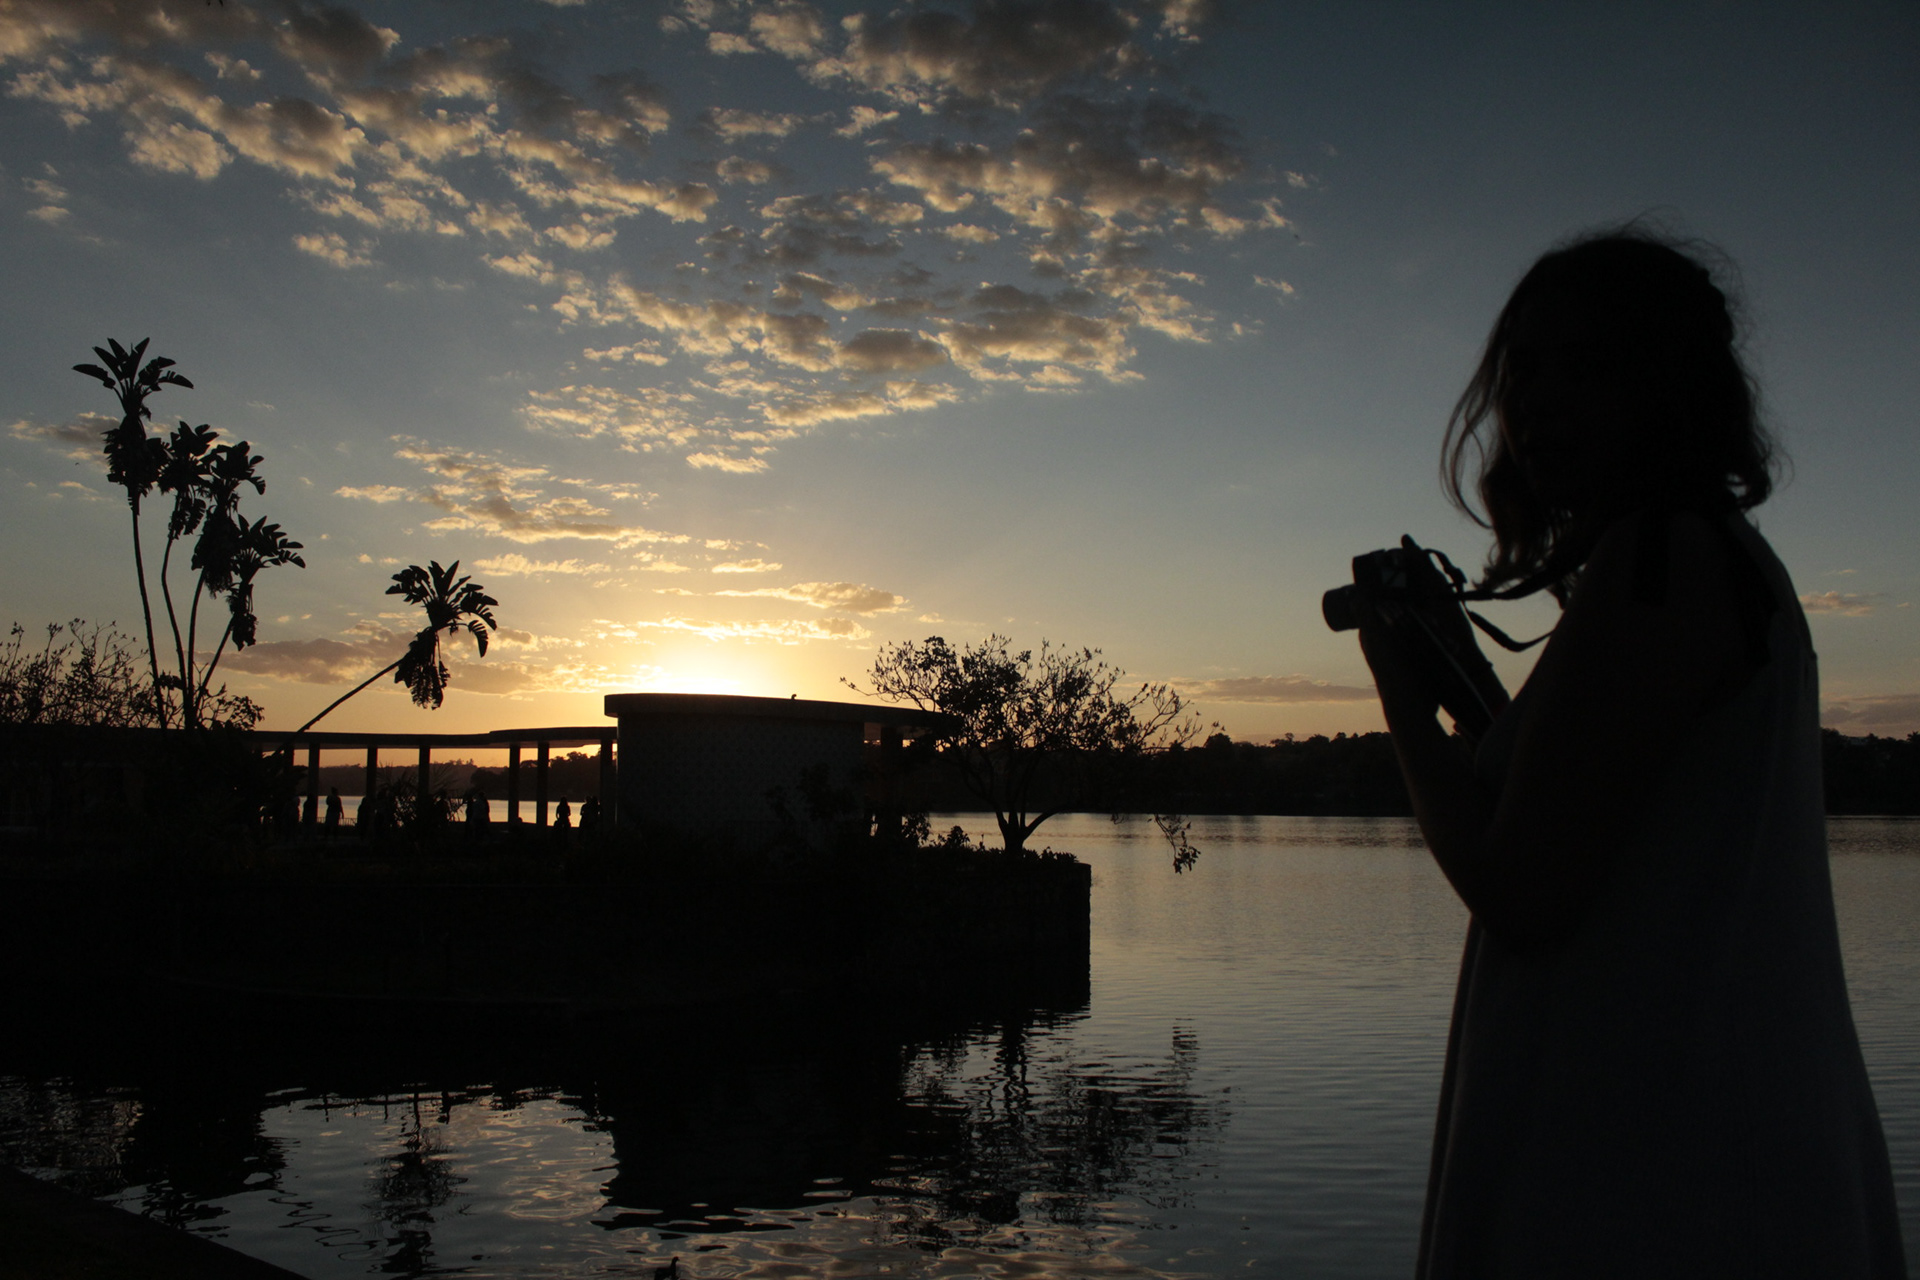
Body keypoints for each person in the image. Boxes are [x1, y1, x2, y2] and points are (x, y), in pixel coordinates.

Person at [1351, 228, 1906, 1277]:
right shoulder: (1696, 559)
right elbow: (1587, 803)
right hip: (1700, 1149)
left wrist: (1401, 696)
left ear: (1670, 387)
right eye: (1525, 368)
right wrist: (1472, 697)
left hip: (1664, 1181)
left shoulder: (1663, 558)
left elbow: (1524, 890)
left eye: (1589, 365)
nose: (1543, 398)